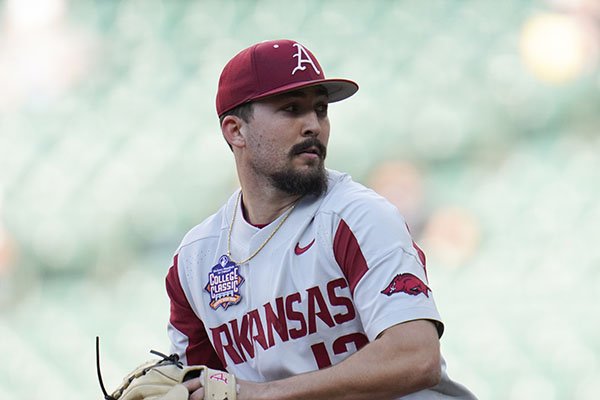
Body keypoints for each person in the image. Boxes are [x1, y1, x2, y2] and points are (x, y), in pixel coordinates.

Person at [165, 39, 477, 400]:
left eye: (321, 109)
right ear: (236, 131)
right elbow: (203, 385)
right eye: (292, 109)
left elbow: (416, 356)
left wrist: (263, 394)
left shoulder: (356, 216)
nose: (313, 125)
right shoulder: (194, 261)